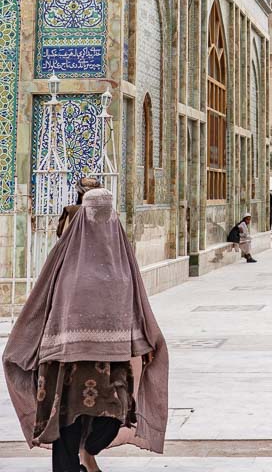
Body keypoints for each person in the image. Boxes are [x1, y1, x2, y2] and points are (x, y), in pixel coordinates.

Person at [3, 188, 168, 472]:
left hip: (110, 361)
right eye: (94, 213)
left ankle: (88, 451)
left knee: (112, 416)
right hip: (65, 363)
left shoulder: (122, 260)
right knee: (66, 422)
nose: (100, 221)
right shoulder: (64, 258)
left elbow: (136, 304)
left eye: (106, 213)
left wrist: (145, 341)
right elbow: (43, 301)